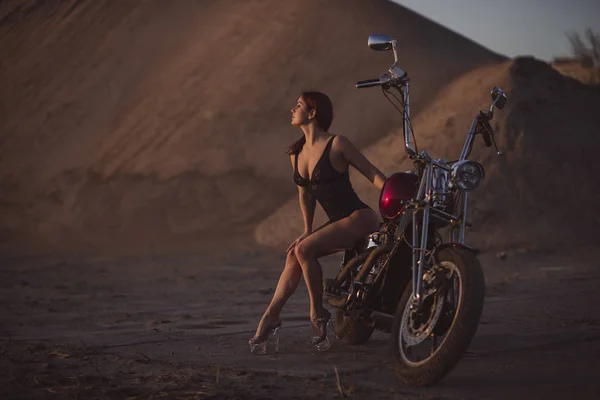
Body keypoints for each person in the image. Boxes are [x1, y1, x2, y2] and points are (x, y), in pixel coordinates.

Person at [248, 91, 387, 354]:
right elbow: (305, 196)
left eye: (298, 105)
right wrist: (307, 230)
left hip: (359, 218)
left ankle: (316, 312)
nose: (292, 109)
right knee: (295, 252)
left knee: (304, 250)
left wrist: (396, 195)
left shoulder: (337, 144)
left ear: (312, 113)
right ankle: (271, 316)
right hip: (339, 222)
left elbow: (371, 172)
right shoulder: (297, 153)